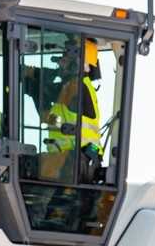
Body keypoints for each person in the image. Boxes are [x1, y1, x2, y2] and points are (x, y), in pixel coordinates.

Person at [23, 38, 103, 182]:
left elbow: (47, 91)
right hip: (68, 159)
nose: (60, 63)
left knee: (23, 167)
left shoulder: (77, 87)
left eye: (65, 59)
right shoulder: (70, 87)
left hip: (78, 161)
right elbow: (48, 112)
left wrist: (32, 77)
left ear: (80, 63)